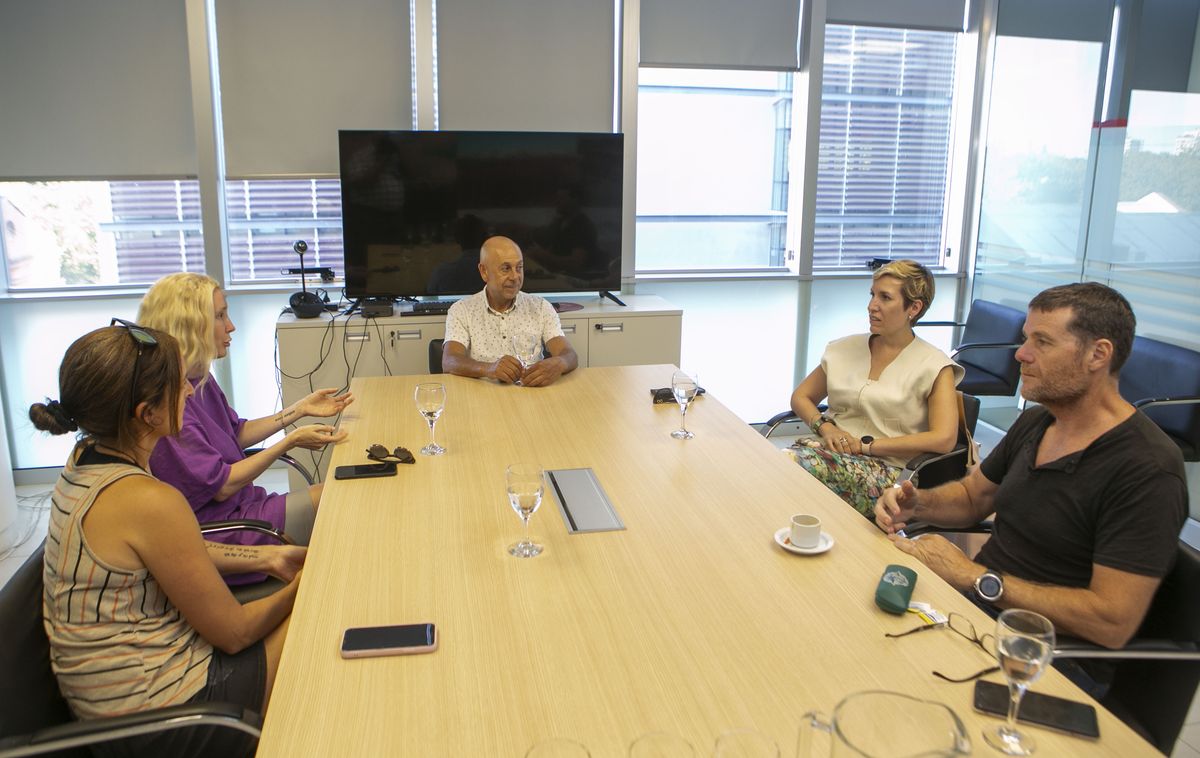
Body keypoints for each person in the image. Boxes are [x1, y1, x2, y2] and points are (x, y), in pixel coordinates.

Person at [31, 323, 304, 758]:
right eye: (180, 387)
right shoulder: (149, 500)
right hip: (165, 719)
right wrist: (307, 585)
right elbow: (234, 633)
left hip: (114, 709)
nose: (191, 395)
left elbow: (179, 552)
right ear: (148, 414)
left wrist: (271, 557)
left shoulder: (85, 462)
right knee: (319, 623)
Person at [876, 283, 1187, 650]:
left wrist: (972, 575)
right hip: (975, 613)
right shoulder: (1037, 423)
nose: (1021, 354)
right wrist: (917, 504)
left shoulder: (1147, 470)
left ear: (1098, 355)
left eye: (1043, 342)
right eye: (1026, 339)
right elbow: (973, 498)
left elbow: (1110, 621)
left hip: (1043, 656)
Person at [138, 273, 352, 561]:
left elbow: (235, 433)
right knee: (344, 501)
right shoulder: (173, 403)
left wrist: (298, 409)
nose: (231, 326)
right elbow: (222, 486)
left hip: (245, 505)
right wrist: (289, 442)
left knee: (343, 496)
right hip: (221, 531)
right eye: (220, 316)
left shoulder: (198, 377)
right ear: (190, 326)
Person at [786, 259, 963, 517]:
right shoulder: (844, 349)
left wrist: (867, 447)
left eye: (885, 298)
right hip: (826, 454)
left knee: (789, 468)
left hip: (886, 473)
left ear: (913, 308)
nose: (872, 306)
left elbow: (944, 438)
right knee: (774, 468)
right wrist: (826, 428)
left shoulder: (934, 366)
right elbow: (801, 396)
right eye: (872, 295)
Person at [442, 235, 579, 386]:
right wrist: (489, 369)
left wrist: (559, 363)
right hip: (481, 398)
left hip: (530, 396)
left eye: (519, 268)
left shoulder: (541, 307)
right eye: (506, 268)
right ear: (484, 272)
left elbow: (570, 355)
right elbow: (449, 361)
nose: (515, 276)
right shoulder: (461, 310)